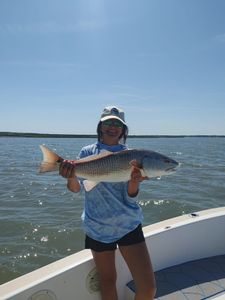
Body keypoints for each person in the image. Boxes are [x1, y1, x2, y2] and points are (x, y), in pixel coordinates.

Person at [59, 106, 156, 300]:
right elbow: (77, 188)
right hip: (97, 226)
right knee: (107, 281)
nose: (113, 127)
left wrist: (135, 181)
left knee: (148, 288)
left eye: (117, 123)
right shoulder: (87, 151)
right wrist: (70, 176)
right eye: (108, 122)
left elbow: (131, 195)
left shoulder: (131, 155)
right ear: (100, 126)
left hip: (128, 224)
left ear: (123, 130)